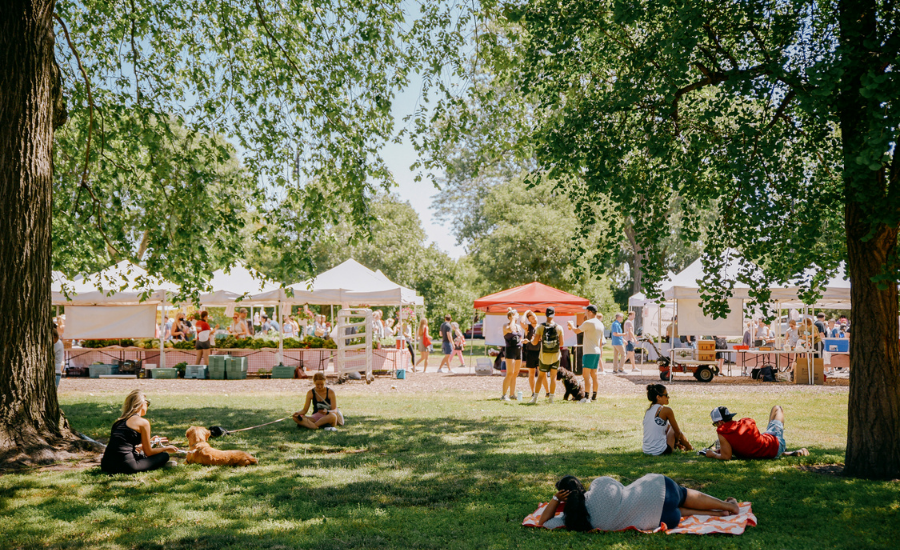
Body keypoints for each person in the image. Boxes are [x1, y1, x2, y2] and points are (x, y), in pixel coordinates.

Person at [536, 473, 739, 532]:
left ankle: (717, 514)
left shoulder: (574, 520)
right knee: (683, 495)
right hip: (659, 490)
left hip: (663, 519)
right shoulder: (598, 487)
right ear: (581, 487)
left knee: (677, 508)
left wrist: (555, 500)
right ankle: (728, 506)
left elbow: (543, 521)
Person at [100, 390, 177, 474]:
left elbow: (122, 445)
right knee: (164, 456)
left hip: (106, 465)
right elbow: (149, 452)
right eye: (147, 403)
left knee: (139, 455)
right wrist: (166, 448)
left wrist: (150, 441)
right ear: (142, 404)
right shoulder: (143, 422)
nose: (147, 406)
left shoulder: (118, 422)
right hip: (127, 466)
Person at [704, 405, 809, 460]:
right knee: (777, 409)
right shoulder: (747, 422)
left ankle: (783, 451)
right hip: (772, 446)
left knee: (776, 412)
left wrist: (712, 454)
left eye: (715, 424)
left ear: (720, 422)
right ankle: (783, 451)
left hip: (768, 450)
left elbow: (726, 457)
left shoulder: (722, 431)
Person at [568, 305, 604, 403]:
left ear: (590, 312)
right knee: (594, 375)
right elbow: (601, 341)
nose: (585, 313)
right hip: (596, 351)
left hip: (589, 352)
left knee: (586, 375)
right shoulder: (600, 324)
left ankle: (586, 397)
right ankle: (594, 396)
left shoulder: (588, 323)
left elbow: (576, 331)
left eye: (586, 311)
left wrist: (571, 325)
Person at [643, 384, 692, 455]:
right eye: (666, 395)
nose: (668, 397)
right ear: (658, 397)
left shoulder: (648, 411)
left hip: (646, 450)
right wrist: (676, 442)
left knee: (668, 426)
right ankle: (690, 448)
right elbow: (677, 432)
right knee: (672, 428)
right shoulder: (666, 410)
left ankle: (689, 447)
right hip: (661, 451)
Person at [530, 307, 563, 403]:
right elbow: (561, 343)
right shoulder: (559, 327)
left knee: (540, 376)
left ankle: (535, 398)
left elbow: (535, 342)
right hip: (555, 356)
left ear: (545, 314)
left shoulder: (540, 327)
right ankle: (551, 398)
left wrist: (531, 340)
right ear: (554, 314)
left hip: (544, 356)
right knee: (553, 377)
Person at [501, 309, 524, 401]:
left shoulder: (518, 327)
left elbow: (520, 338)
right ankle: (503, 395)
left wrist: (523, 341)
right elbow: (511, 329)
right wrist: (513, 320)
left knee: (515, 373)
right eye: (515, 315)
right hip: (510, 350)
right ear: (510, 317)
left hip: (518, 350)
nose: (517, 316)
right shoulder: (506, 326)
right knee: (509, 373)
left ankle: (512, 394)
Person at [521, 310, 540, 397]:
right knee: (532, 373)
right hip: (530, 352)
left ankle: (545, 391)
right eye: (532, 318)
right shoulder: (528, 327)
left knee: (541, 372)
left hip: (540, 352)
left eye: (535, 317)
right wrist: (526, 313)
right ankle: (533, 392)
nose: (535, 319)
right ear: (529, 320)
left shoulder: (540, 327)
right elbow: (522, 322)